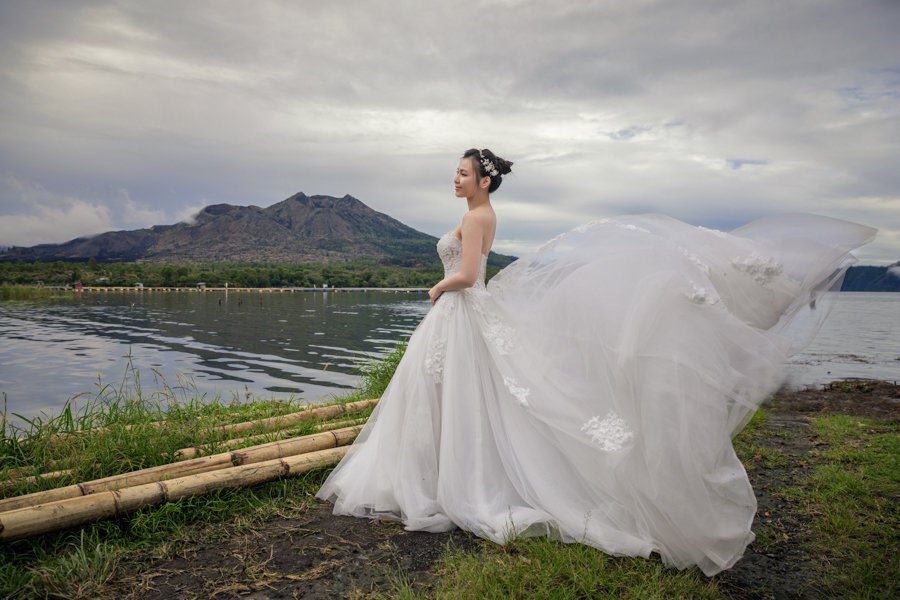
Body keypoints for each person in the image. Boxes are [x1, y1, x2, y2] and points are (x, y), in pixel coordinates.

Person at [316, 148, 876, 576]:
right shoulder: (477, 213)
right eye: (456, 173)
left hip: (460, 311)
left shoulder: (480, 216)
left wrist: (438, 288)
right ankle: (440, 473)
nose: (456, 179)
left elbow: (466, 274)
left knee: (468, 395)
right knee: (456, 394)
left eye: (463, 173)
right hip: (460, 318)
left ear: (484, 181)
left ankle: (458, 480)